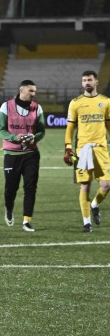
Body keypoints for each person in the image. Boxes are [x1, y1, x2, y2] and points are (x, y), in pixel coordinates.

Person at [63, 70, 110, 233]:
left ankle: (94, 205)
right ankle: (87, 223)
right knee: (85, 185)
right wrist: (68, 147)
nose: (86, 83)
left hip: (101, 149)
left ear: (96, 82)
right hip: (82, 150)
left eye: (89, 80)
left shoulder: (106, 101)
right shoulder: (75, 103)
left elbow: (109, 124)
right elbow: (70, 127)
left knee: (106, 185)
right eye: (84, 80)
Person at [0, 80, 45, 232]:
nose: (33, 94)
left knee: (30, 188)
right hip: (12, 154)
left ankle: (26, 221)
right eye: (31, 91)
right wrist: (15, 138)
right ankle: (9, 209)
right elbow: (0, 130)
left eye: (34, 91)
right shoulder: (6, 106)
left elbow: (41, 131)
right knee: (10, 189)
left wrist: (33, 138)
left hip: (31, 154)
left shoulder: (37, 108)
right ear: (21, 90)